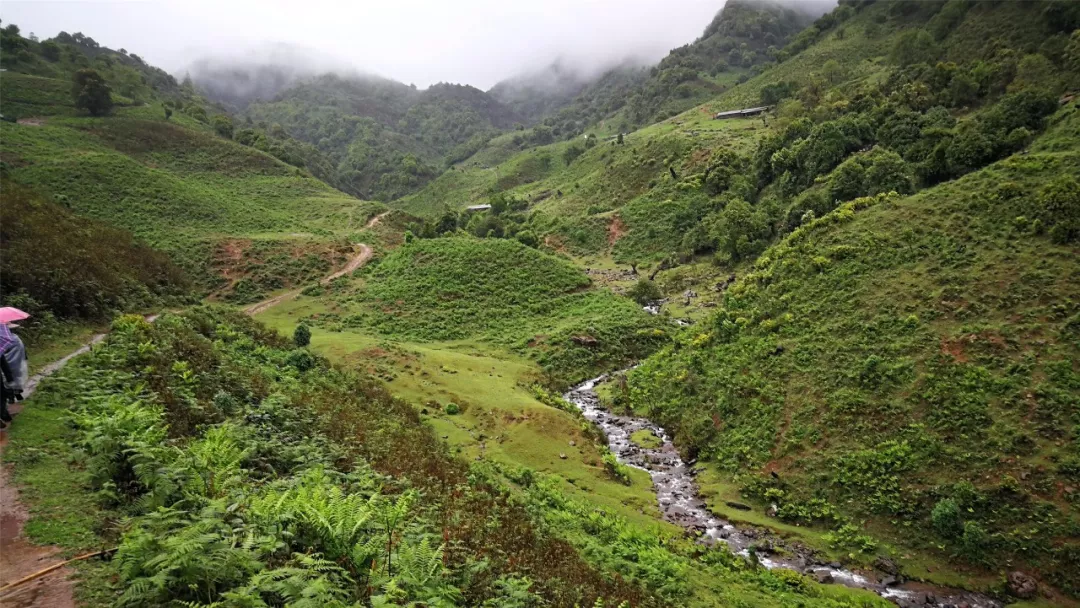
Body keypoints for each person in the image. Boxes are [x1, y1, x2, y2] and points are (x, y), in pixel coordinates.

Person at [0, 322, 28, 428]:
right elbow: (3, 364)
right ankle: (4, 414)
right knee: (2, 396)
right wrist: (9, 377)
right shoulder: (3, 344)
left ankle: (5, 415)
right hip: (9, 370)